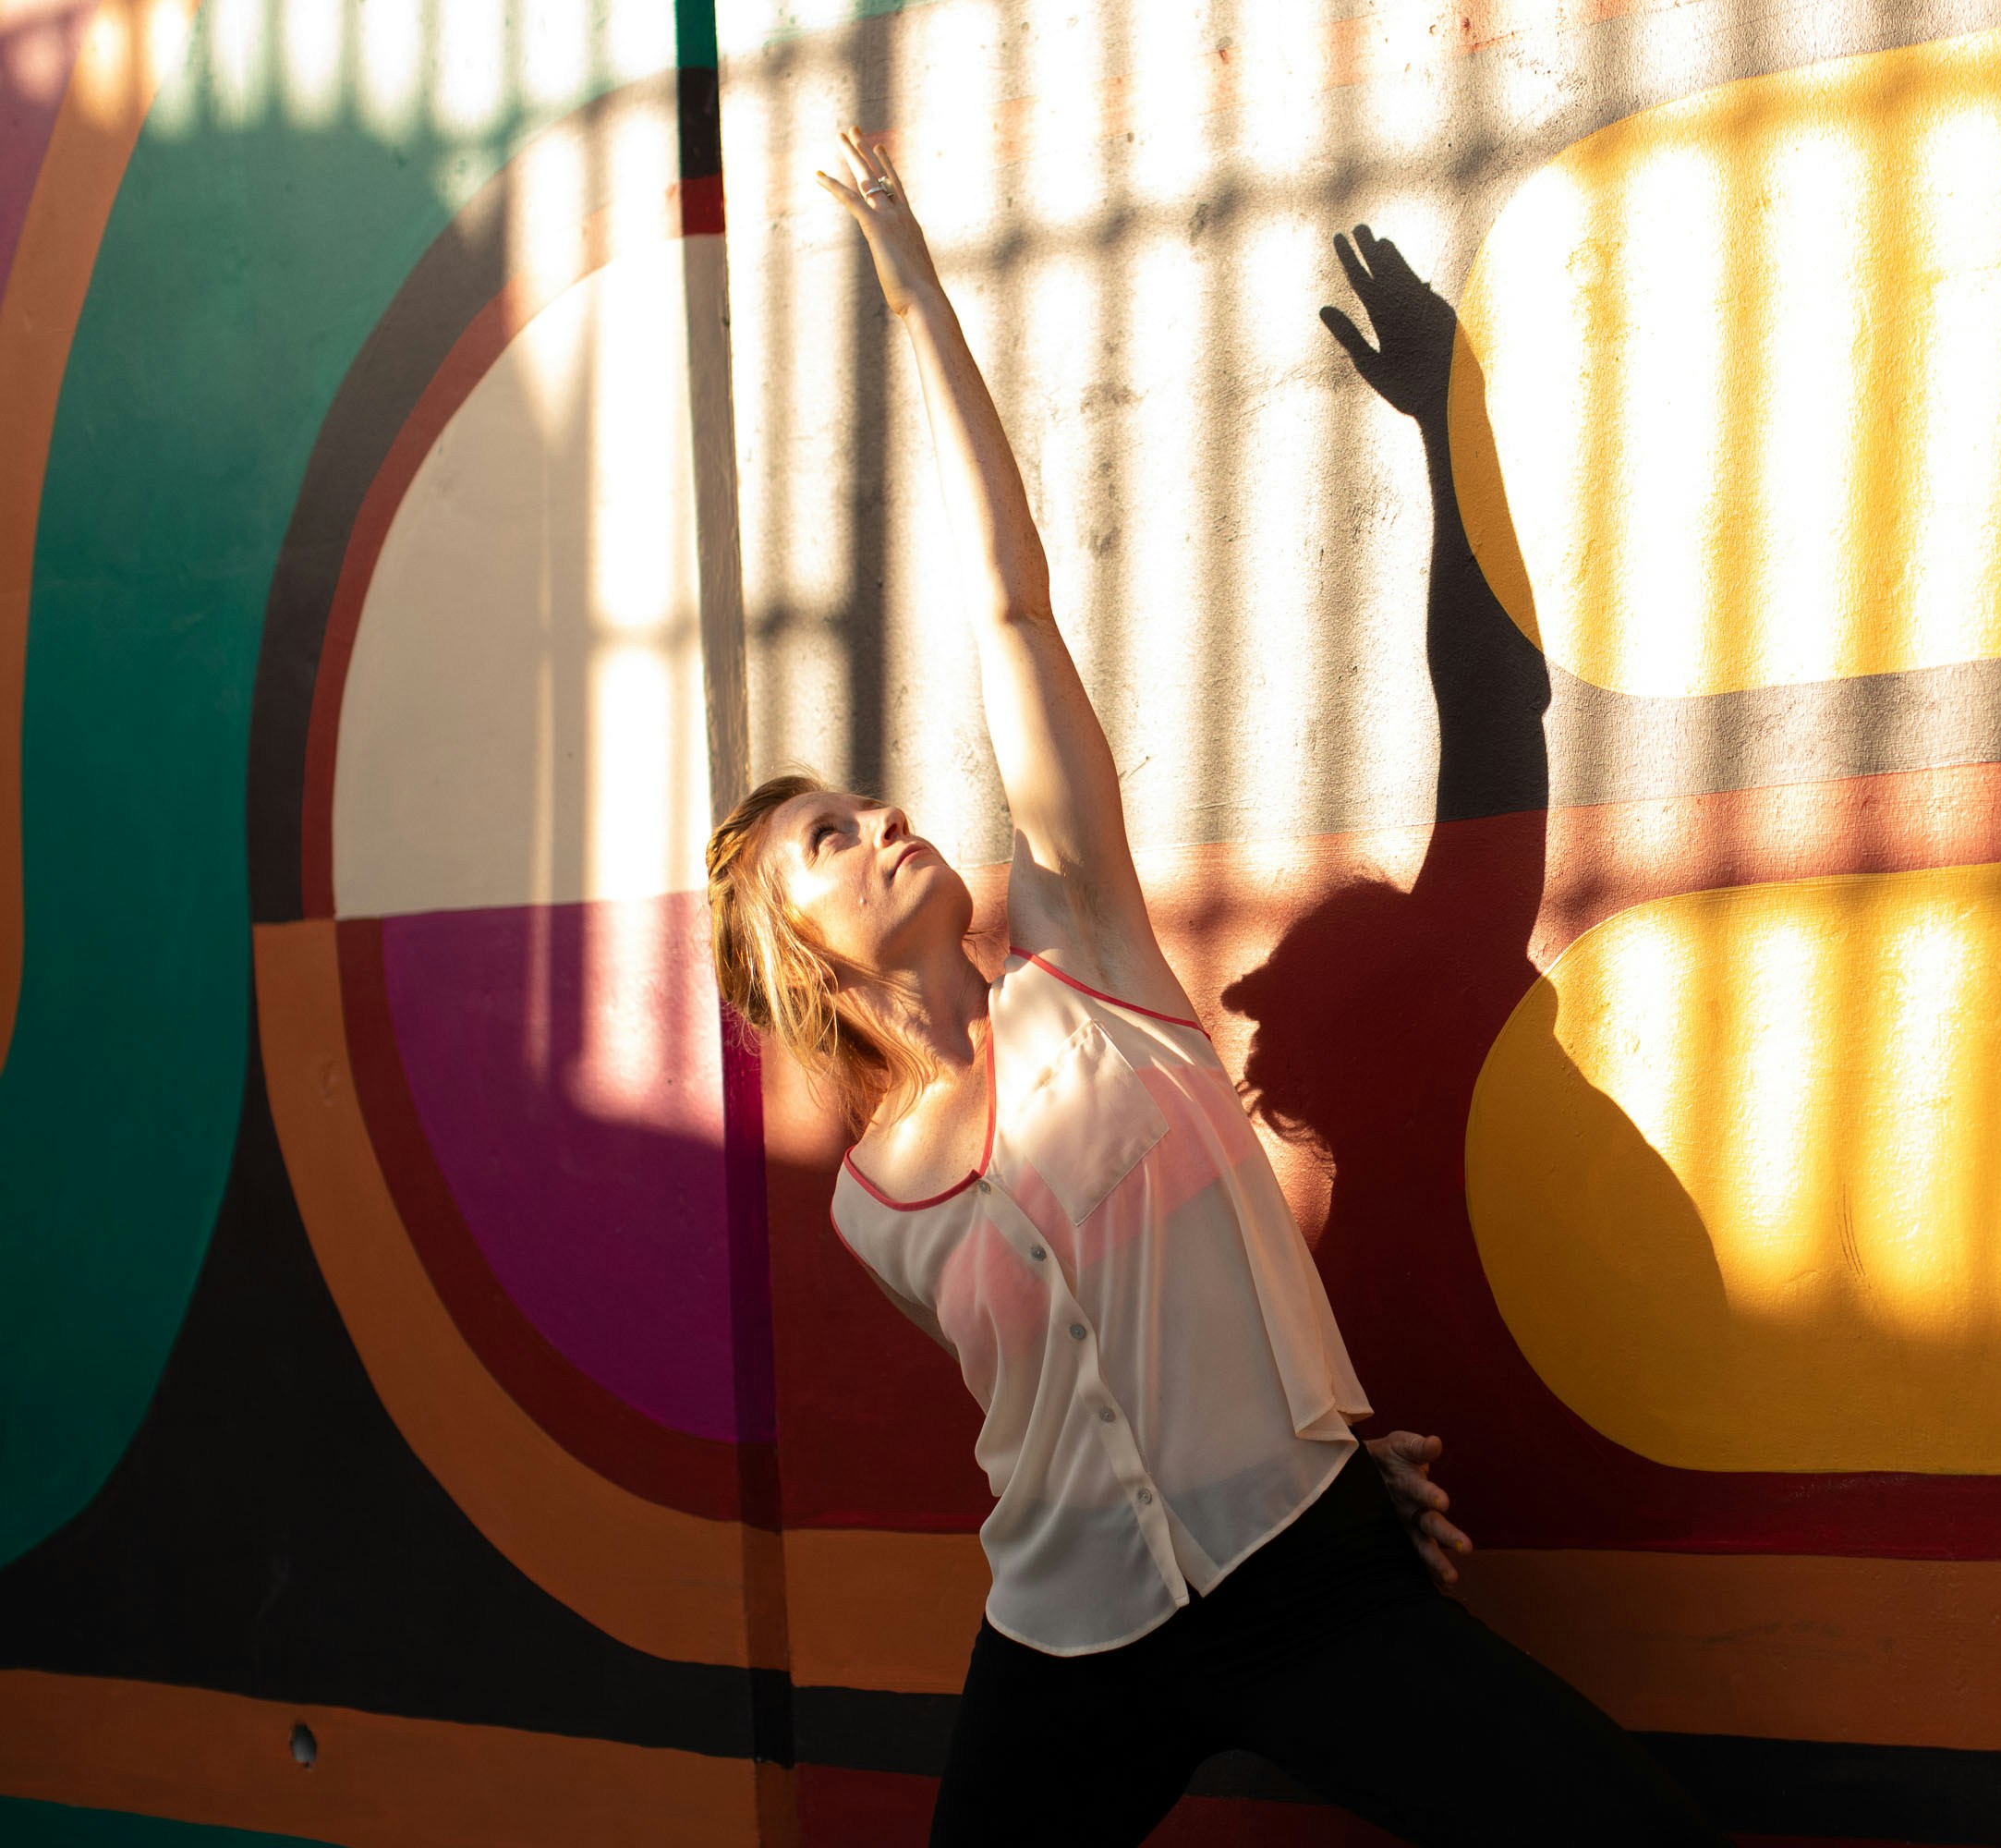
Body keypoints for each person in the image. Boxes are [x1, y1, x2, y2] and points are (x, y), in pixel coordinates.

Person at [701, 126, 1728, 1847]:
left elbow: (1014, 607)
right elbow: (1081, 1405)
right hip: (1066, 1641)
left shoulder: (1083, 951)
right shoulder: (874, 1212)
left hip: (1306, 1588)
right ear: (797, 956)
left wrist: (915, 281)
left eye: (864, 801)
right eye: (825, 842)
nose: (876, 820)